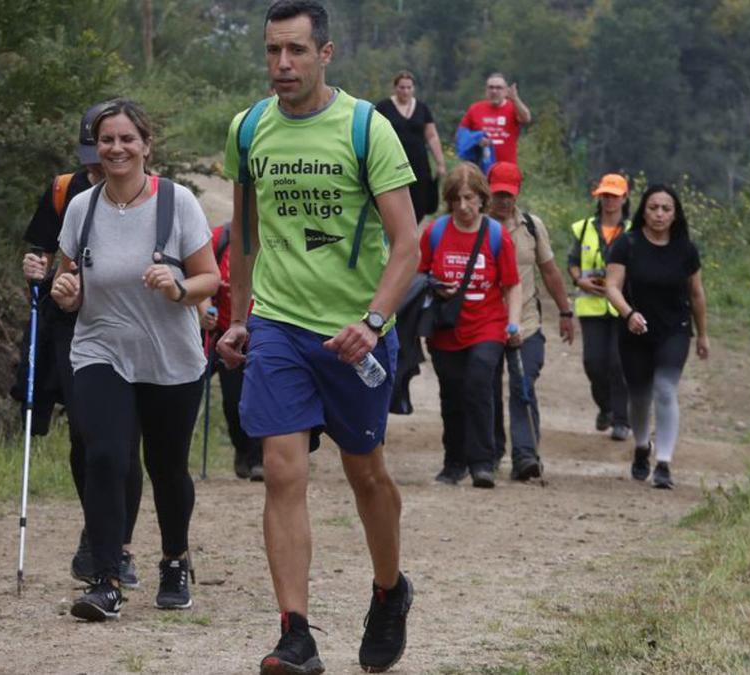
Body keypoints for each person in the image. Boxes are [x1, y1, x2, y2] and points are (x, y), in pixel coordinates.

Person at [217, 2, 419, 672]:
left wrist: (373, 321)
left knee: (367, 474)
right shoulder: (247, 130)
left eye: (297, 51)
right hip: (278, 325)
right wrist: (239, 313)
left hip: (354, 332)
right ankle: (295, 633)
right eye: (274, 51)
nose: (282, 65)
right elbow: (244, 232)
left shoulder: (368, 129)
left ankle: (389, 590)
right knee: (282, 468)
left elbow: (407, 244)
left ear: (325, 54)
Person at [50, 99, 220, 621]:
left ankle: (174, 559)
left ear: (147, 145)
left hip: (170, 355)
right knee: (104, 454)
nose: (116, 148)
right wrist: (65, 292)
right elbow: (70, 280)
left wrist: (177, 286)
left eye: (127, 139)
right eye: (107, 140)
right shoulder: (83, 207)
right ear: (95, 148)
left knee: (166, 467)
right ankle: (106, 577)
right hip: (101, 348)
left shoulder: (178, 203)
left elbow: (210, 279)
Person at [20, 102, 145, 589]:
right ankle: (98, 531)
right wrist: (36, 268)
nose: (101, 163)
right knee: (86, 438)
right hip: (73, 325)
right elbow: (40, 251)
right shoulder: (64, 190)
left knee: (124, 440)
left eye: (112, 148)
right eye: (94, 153)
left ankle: (122, 546)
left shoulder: (150, 194)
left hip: (133, 324)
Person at [421, 162, 521, 488]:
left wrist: (513, 323)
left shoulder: (496, 235)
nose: (463, 207)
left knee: (479, 382)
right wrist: (435, 285)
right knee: (451, 394)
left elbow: (511, 284)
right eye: (456, 200)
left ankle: (482, 462)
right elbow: (418, 276)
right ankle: (454, 462)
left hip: (488, 325)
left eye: (469, 198)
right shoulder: (435, 232)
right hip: (445, 328)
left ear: (482, 198)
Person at [604, 185, 709, 489]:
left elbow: (697, 294)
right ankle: (641, 446)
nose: (659, 214)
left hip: (674, 329)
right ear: (643, 210)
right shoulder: (627, 243)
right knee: (639, 396)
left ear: (676, 214)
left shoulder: (686, 249)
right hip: (635, 328)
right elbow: (612, 286)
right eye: (653, 208)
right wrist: (628, 313)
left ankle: (664, 462)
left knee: (665, 389)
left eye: (666, 209)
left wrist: (703, 335)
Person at [485, 162, 574, 481]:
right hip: (486, 324)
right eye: (498, 194)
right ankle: (491, 452)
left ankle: (525, 456)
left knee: (523, 384)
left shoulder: (532, 227)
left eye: (508, 194)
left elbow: (549, 271)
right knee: (488, 388)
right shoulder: (478, 225)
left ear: (517, 193)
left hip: (527, 321)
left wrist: (565, 312)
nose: (503, 200)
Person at [568, 174, 631, 440]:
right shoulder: (583, 228)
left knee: (619, 363)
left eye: (614, 196)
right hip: (592, 306)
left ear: (624, 198)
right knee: (593, 362)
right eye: (605, 195)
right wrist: (579, 280)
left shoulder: (633, 232)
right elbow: (572, 261)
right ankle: (605, 408)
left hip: (623, 307)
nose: (609, 200)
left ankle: (621, 420)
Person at [200, 222, 263, 481]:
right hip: (226, 336)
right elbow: (200, 275)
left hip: (265, 335)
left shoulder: (281, 238)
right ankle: (242, 450)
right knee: (233, 402)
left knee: (260, 399)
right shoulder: (220, 238)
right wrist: (205, 311)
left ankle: (260, 458)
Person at [375, 70, 446, 223]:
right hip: (393, 163)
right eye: (402, 87)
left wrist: (440, 162)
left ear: (413, 88)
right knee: (395, 202)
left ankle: (414, 233)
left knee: (419, 204)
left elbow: (432, 136)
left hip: (419, 164)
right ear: (395, 88)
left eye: (409, 87)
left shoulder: (422, 108)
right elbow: (374, 134)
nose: (405, 91)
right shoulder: (383, 107)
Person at [458, 72, 532, 166]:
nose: (494, 91)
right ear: (486, 90)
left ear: (506, 91)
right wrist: (476, 139)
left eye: (498, 88)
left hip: (506, 168)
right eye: (491, 87)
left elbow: (526, 118)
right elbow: (461, 134)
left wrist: (515, 99)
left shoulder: (513, 107)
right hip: (480, 168)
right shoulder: (475, 109)